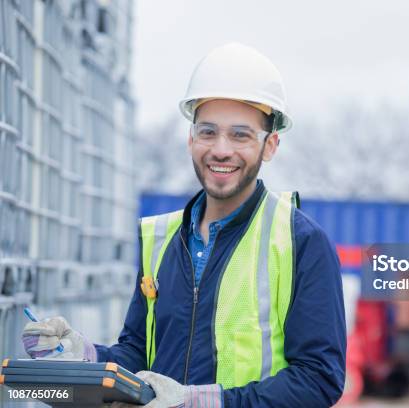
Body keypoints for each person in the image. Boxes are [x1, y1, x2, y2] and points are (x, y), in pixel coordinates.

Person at [22, 42, 346, 407]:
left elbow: (319, 379)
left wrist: (204, 402)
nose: (221, 149)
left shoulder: (299, 242)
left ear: (270, 145)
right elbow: (140, 358)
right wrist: (83, 360)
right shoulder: (159, 239)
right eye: (208, 132)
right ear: (191, 138)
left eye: (240, 135)